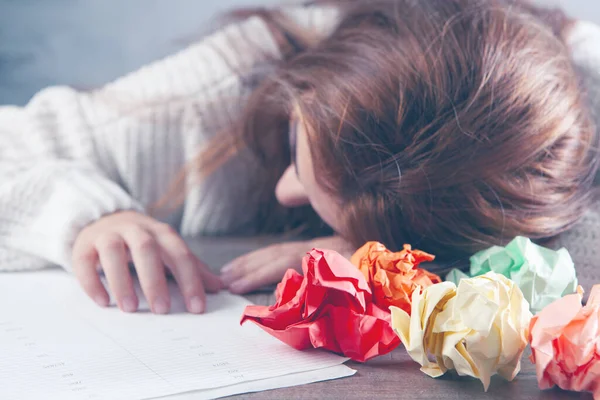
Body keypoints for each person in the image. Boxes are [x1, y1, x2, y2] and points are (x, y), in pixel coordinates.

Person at [1, 0, 599, 315]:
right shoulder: (236, 78)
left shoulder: (573, 97)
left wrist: (405, 260)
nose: (287, 190)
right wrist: (88, 215)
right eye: (295, 142)